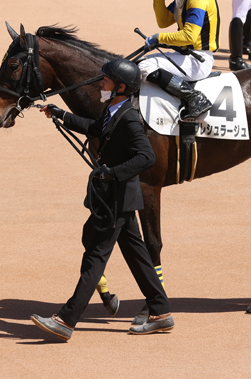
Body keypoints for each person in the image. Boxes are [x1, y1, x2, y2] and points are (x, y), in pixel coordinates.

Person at [31, 58, 174, 340]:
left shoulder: (129, 118)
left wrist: (112, 173)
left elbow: (146, 157)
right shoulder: (113, 109)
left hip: (117, 198)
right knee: (137, 256)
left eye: (106, 80)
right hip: (118, 199)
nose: (101, 84)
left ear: (120, 87)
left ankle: (66, 319)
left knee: (96, 256)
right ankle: (161, 312)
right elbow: (96, 128)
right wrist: (60, 114)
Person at [141, 0, 219, 120]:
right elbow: (163, 21)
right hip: (187, 56)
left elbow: (189, 36)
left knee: (145, 66)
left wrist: (158, 38)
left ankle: (194, 97)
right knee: (142, 62)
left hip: (198, 60)